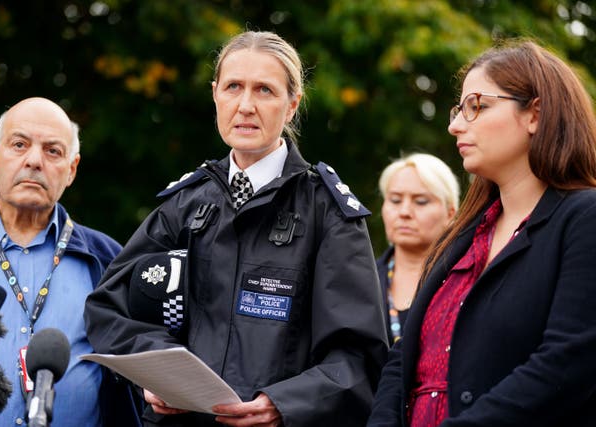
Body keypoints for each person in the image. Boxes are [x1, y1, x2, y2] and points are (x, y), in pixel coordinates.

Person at [84, 30, 387, 427]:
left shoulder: (327, 213)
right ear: (215, 95)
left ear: (292, 104)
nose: (245, 105)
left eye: (264, 90)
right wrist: (158, 374)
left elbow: (358, 358)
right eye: (233, 87)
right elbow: (110, 308)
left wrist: (285, 404)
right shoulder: (185, 204)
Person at [367, 40, 596, 427]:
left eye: (477, 106)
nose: (455, 125)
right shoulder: (461, 240)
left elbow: (568, 364)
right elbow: (402, 361)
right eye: (459, 110)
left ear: (535, 115)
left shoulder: (583, 218)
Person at [0, 97, 141, 426]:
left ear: (71, 170)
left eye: (53, 151)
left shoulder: (110, 259)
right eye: (19, 144)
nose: (34, 161)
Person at [377, 153, 459, 345]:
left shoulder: (465, 278)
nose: (404, 212)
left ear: (450, 214)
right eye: (395, 200)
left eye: (421, 201)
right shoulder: (361, 280)